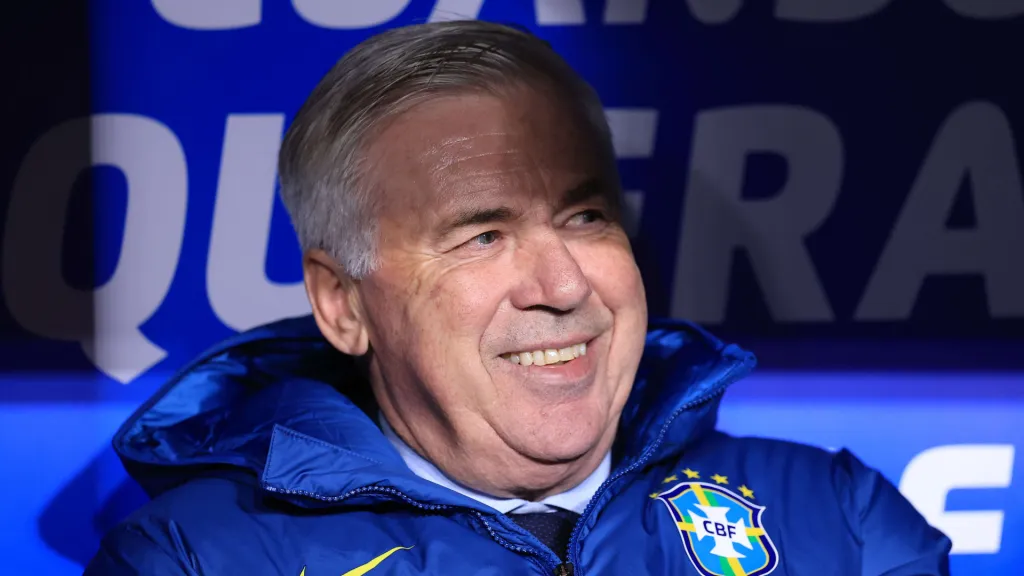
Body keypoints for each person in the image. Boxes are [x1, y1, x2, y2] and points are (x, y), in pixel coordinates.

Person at [86, 20, 951, 576]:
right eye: (482, 235)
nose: (565, 284)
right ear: (343, 304)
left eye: (585, 216)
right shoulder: (195, 559)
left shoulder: (841, 520)